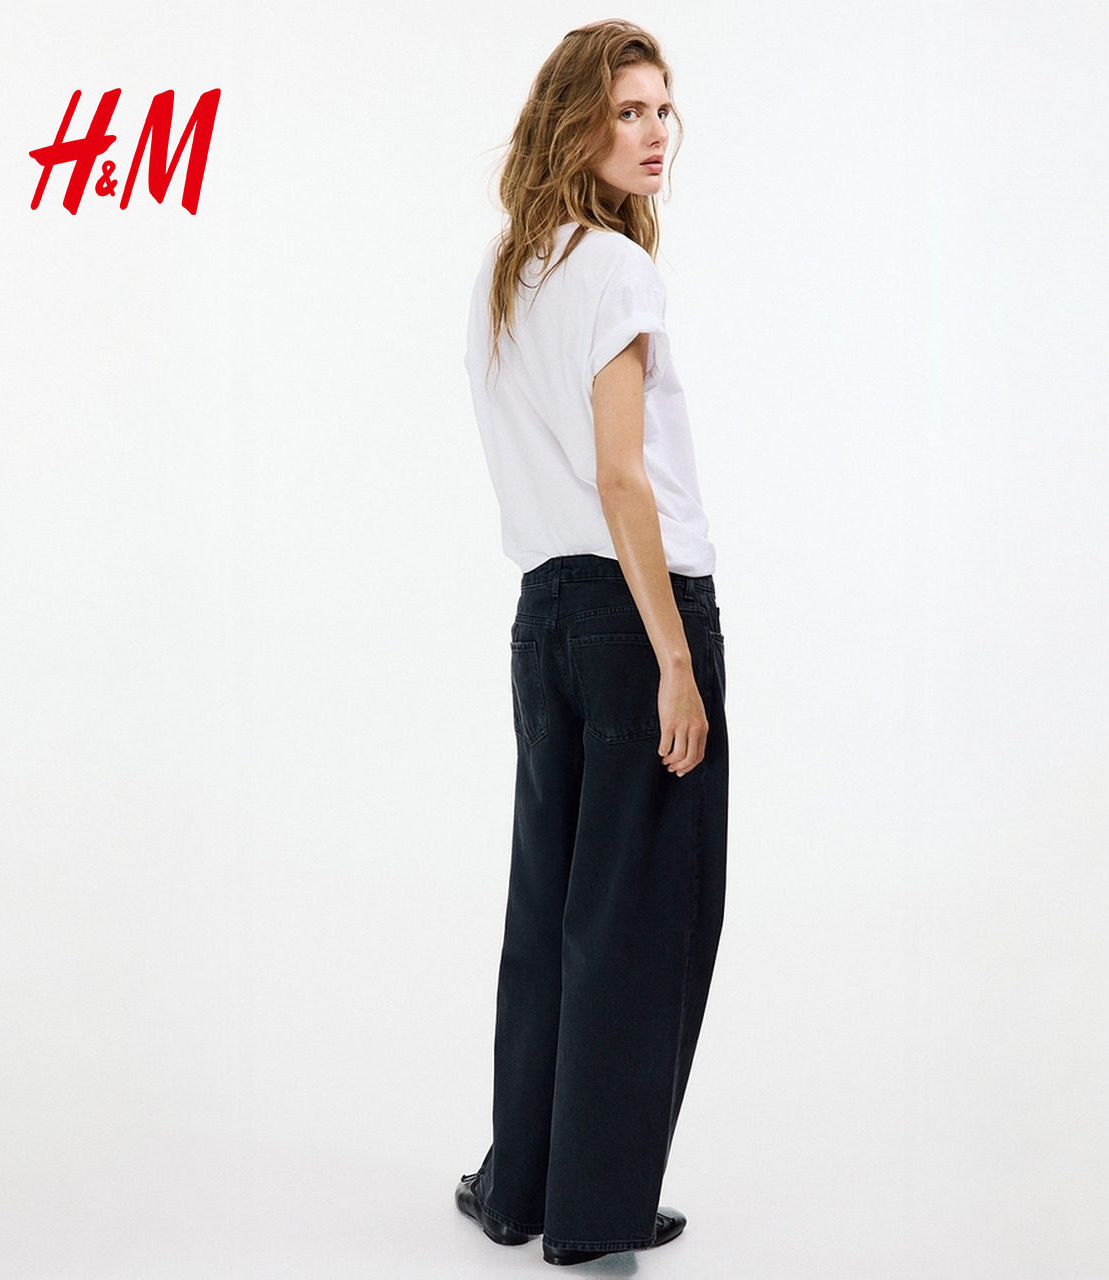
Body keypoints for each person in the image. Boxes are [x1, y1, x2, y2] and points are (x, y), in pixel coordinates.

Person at [456, 19, 728, 1267]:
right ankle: (598, 1212)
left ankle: (520, 1183)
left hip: (546, 615)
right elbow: (623, 478)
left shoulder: (509, 270)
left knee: (551, 908)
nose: (654, 131)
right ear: (574, 122)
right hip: (632, 612)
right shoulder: (614, 271)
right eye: (627, 109)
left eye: (662, 108)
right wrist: (673, 658)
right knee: (641, 916)